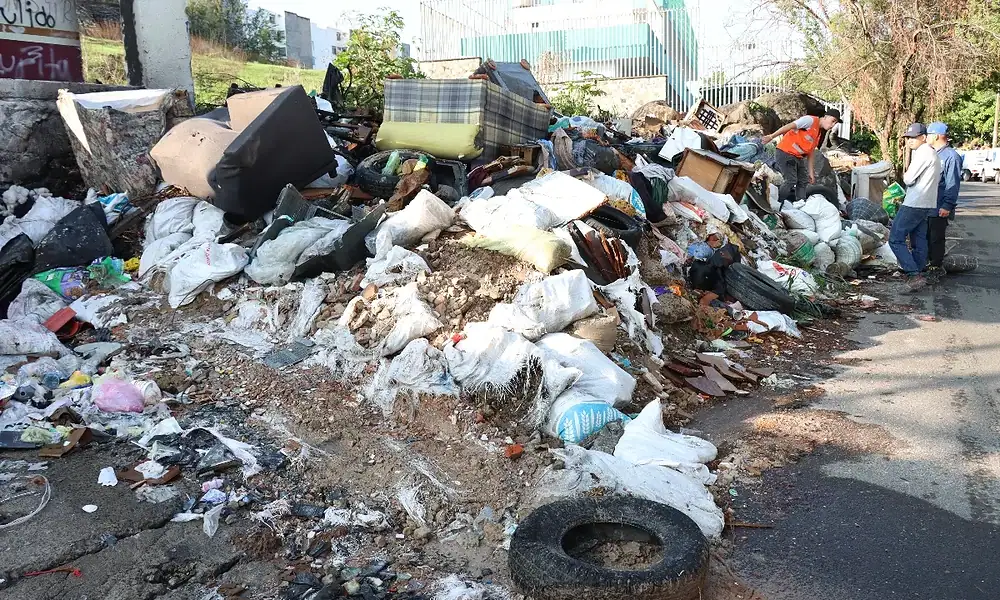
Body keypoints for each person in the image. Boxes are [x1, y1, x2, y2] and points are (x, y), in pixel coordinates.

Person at [889, 123, 941, 292]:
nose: (909, 141)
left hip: (914, 203)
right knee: (919, 240)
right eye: (908, 138)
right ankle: (919, 273)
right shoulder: (933, 153)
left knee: (895, 238)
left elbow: (908, 179)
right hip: (927, 203)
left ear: (923, 137)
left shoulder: (923, 153)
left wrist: (906, 175)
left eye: (913, 137)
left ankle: (913, 274)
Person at [762, 108, 842, 204]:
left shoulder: (818, 133)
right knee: (791, 180)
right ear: (825, 117)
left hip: (797, 157)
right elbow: (789, 126)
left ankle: (800, 203)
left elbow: (811, 153)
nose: (833, 125)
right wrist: (771, 136)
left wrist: (811, 173)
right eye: (833, 121)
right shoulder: (810, 121)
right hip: (785, 152)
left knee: (803, 180)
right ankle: (777, 204)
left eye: (835, 123)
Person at [925, 121, 961, 282]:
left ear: (937, 136)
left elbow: (952, 184)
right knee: (926, 236)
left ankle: (936, 267)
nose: (926, 137)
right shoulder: (933, 153)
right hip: (927, 204)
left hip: (939, 205)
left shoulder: (951, 156)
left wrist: (947, 205)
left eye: (929, 134)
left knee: (936, 238)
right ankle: (927, 264)